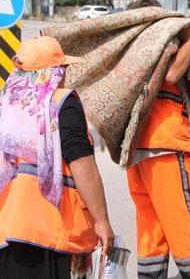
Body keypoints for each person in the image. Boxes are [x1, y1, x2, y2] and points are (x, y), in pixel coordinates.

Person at [0, 36, 114, 278]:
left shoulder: (7, 103)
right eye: (62, 68)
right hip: (50, 232)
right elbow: (83, 165)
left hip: (7, 230)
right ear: (55, 71)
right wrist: (101, 220)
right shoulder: (61, 104)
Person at [126, 0, 190, 278]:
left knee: (152, 232)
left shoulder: (129, 53)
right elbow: (174, 74)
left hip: (136, 151)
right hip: (168, 145)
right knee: (189, 230)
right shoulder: (160, 46)